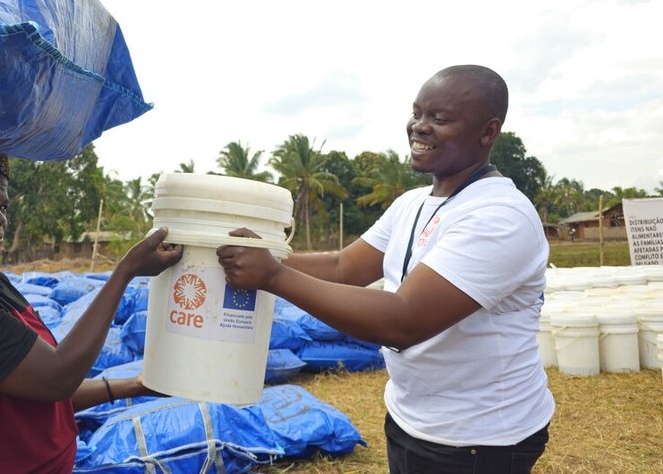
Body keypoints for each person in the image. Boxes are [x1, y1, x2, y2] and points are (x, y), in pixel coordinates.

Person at [217, 65, 554, 473]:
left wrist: (273, 275)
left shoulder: (500, 216)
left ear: (488, 131)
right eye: (417, 113)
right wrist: (255, 254)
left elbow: (404, 320)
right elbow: (344, 266)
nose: (420, 127)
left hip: (479, 438)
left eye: (440, 119)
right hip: (411, 417)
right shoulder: (412, 203)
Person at [0, 143, 183, 474]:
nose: (0, 218)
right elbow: (56, 378)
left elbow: (42, 393)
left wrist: (136, 385)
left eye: (3, 205)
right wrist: (124, 272)